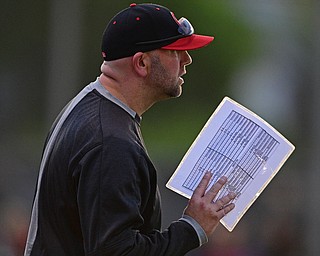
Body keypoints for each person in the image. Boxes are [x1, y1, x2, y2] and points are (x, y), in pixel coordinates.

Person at [24, 3, 236, 256]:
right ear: (142, 63)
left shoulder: (89, 106)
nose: (187, 60)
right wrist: (192, 228)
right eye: (174, 51)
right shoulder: (111, 141)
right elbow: (117, 252)